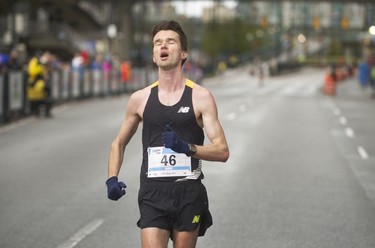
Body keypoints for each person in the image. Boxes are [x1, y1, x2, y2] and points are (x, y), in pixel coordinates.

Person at [105, 20, 229, 248]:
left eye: (170, 41)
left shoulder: (200, 97)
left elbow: (222, 151)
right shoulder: (140, 99)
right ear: (153, 55)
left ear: (183, 53)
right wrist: (112, 178)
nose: (163, 46)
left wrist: (187, 148)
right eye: (157, 43)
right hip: (153, 193)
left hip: (188, 192)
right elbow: (118, 143)